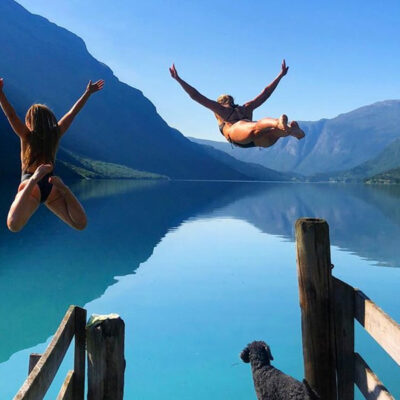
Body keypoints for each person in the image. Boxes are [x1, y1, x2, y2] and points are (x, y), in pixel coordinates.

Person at [0, 77, 104, 232]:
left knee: (13, 225)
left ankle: (38, 179)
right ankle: (65, 189)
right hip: (52, 185)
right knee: (80, 225)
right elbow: (72, 113)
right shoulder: (55, 135)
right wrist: (87, 93)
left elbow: (11, 115)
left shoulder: (26, 136)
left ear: (29, 121)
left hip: (30, 184)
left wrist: (1, 93)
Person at [169, 60, 305, 148]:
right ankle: (288, 129)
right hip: (255, 138)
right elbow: (266, 93)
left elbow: (196, 95)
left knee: (256, 128)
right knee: (269, 131)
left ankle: (282, 125)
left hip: (243, 137)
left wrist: (178, 79)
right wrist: (280, 75)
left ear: (221, 102)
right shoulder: (244, 108)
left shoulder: (221, 110)